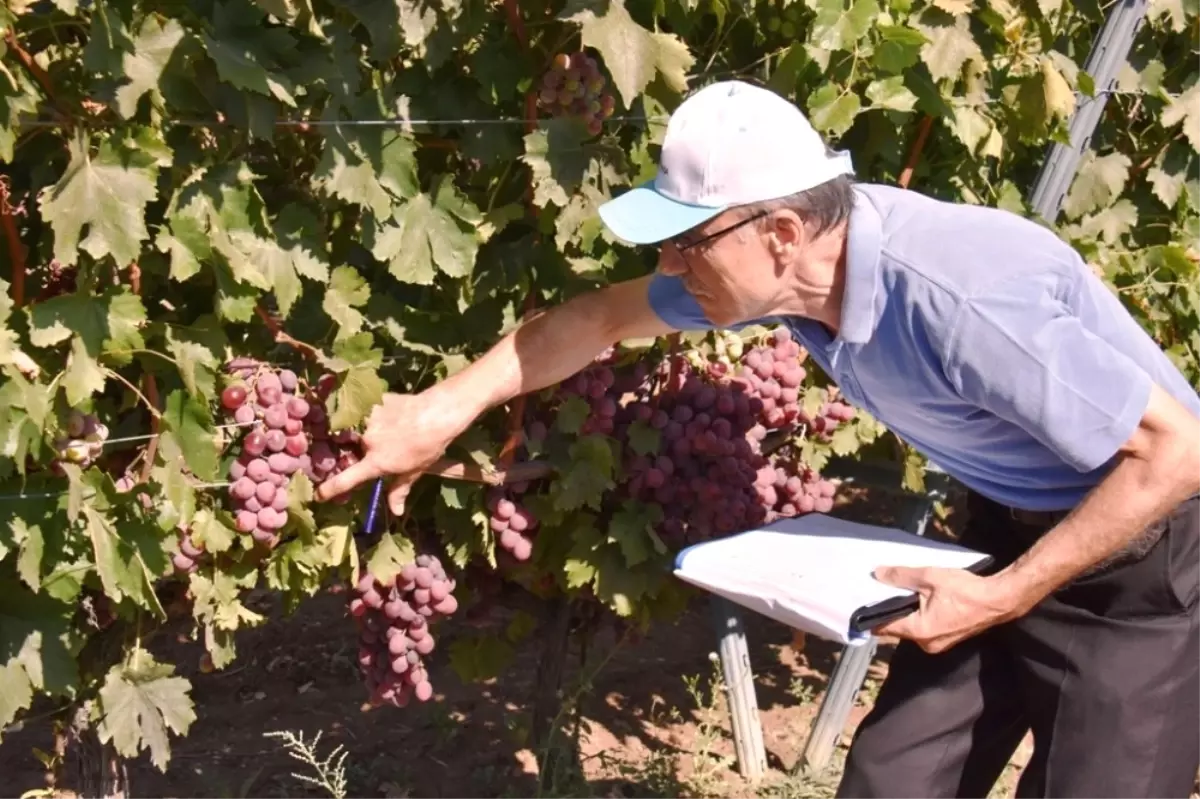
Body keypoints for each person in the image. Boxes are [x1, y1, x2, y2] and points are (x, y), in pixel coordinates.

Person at [317, 80, 1200, 797]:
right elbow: (595, 317)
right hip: (1007, 526)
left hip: (1146, 554)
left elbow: (1176, 452)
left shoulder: (959, 297)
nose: (667, 267)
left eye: (685, 243)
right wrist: (439, 410)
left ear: (781, 233)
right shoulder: (795, 277)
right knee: (894, 781)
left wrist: (1006, 595)